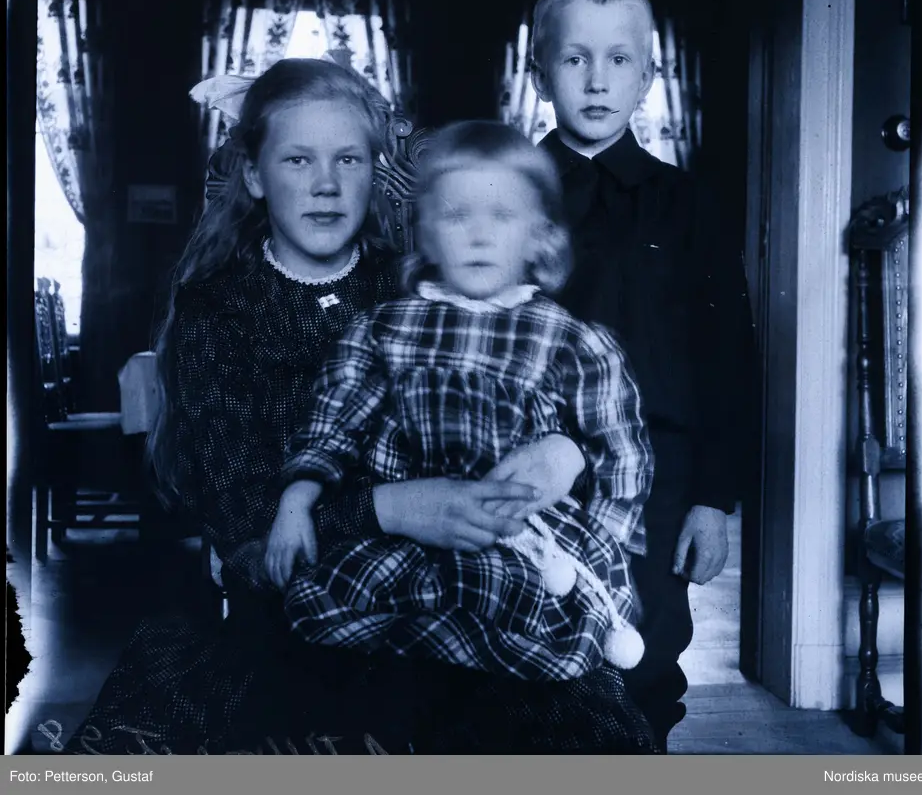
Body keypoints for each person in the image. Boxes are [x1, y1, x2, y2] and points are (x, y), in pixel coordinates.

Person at [63, 58, 658, 755]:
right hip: (303, 617)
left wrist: (563, 453)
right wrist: (396, 508)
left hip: (470, 587)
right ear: (254, 175)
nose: (326, 183)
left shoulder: (417, 288)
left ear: (374, 171)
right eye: (298, 159)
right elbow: (249, 529)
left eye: (348, 159)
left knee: (581, 724)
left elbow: (524, 399)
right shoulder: (216, 312)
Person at [266, 121, 653, 684]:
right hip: (411, 537)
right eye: (456, 216)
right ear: (425, 233)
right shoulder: (385, 329)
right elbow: (334, 422)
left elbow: (621, 452)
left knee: (524, 647)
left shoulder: (570, 341)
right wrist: (297, 498)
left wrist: (602, 546)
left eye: (501, 217)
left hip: (523, 546)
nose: (478, 236)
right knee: (341, 626)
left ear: (539, 236)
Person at [530, 0, 755, 751]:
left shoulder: (685, 203)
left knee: (644, 665)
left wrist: (713, 501)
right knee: (524, 665)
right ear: (538, 71)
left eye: (619, 60)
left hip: (658, 481)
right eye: (575, 59)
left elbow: (726, 357)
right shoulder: (505, 196)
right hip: (525, 474)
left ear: (650, 76)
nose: (597, 81)